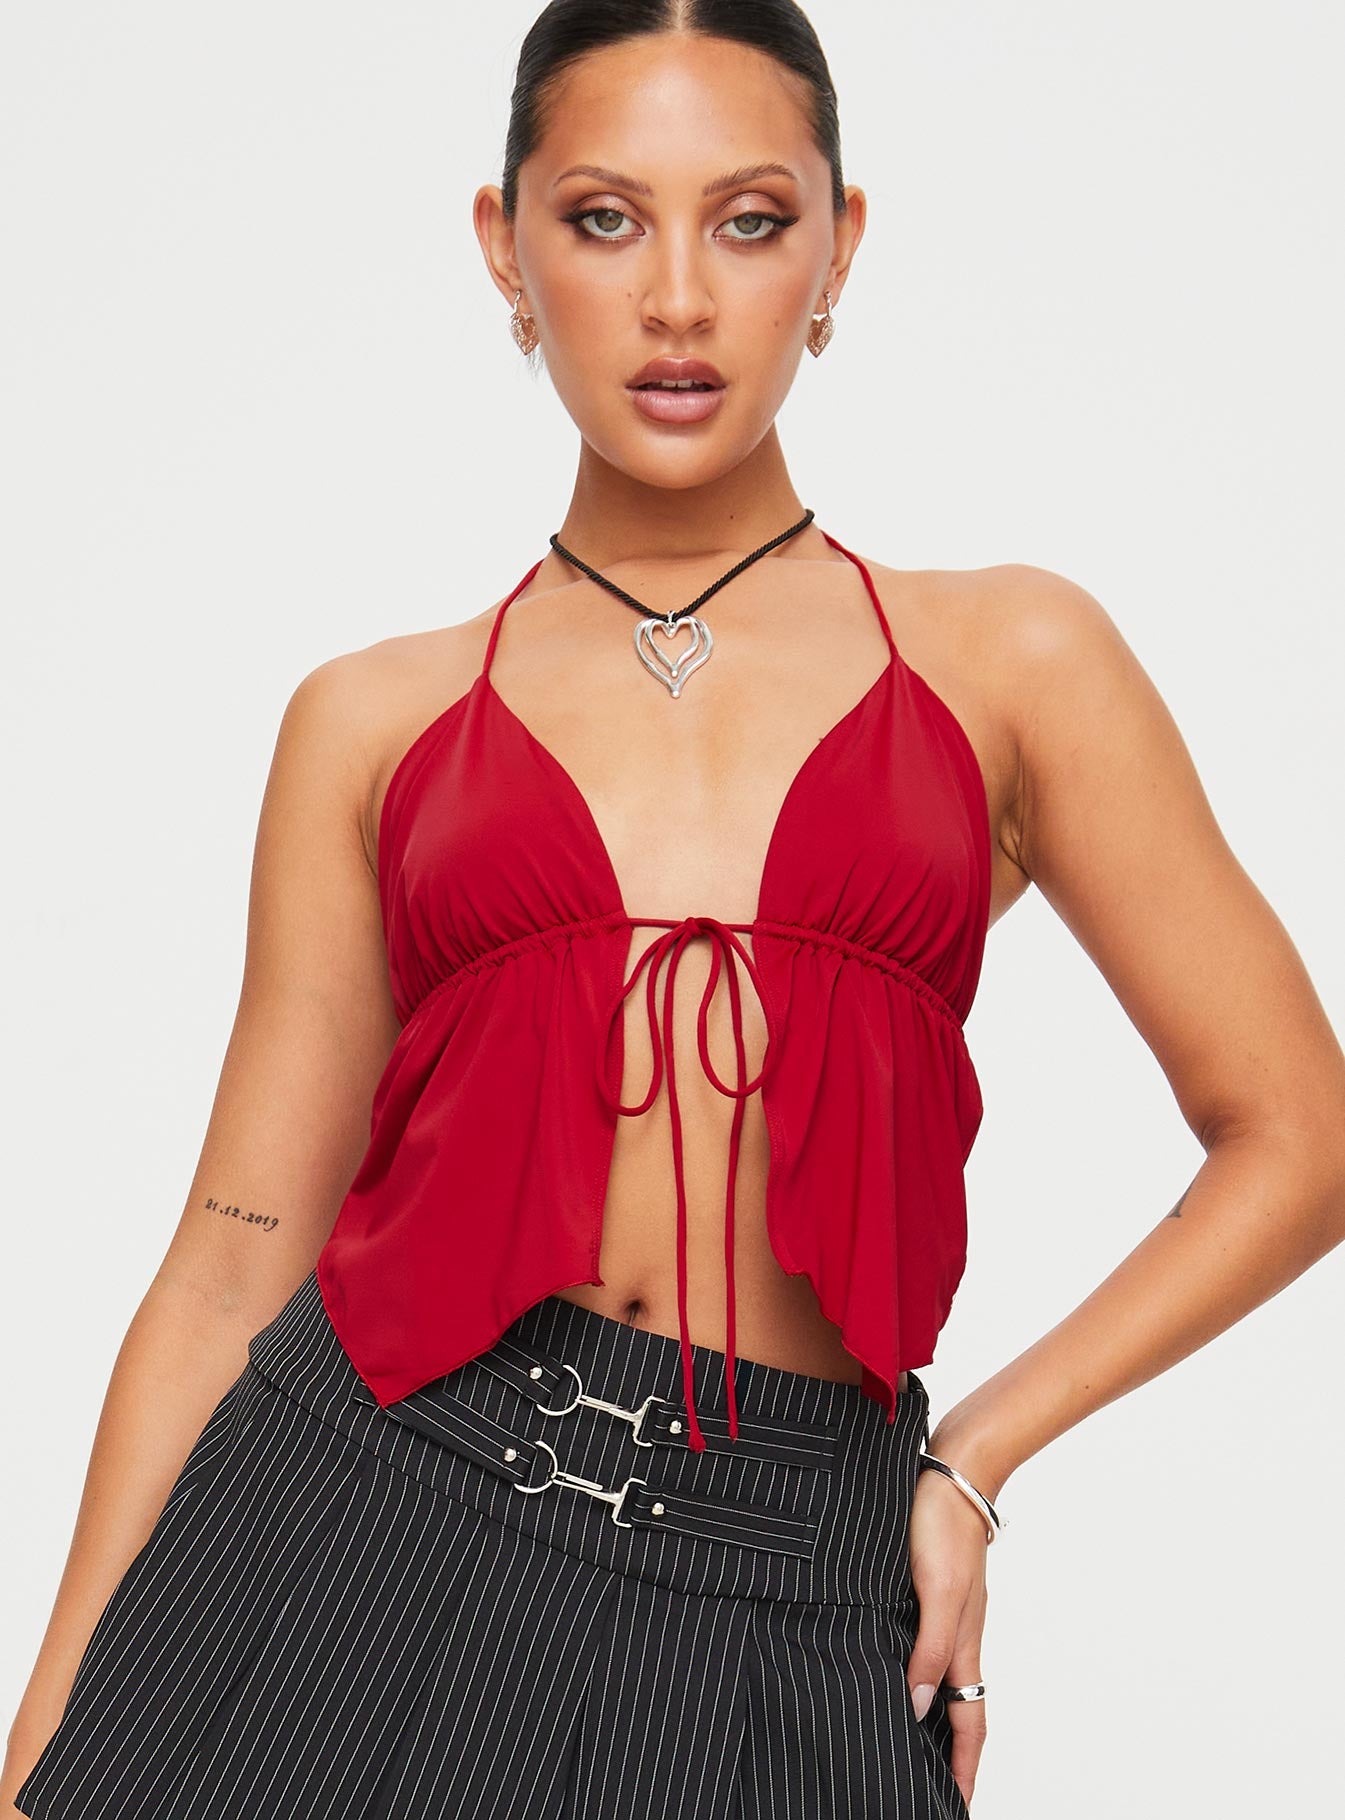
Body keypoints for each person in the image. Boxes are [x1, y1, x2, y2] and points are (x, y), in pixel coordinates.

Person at [7, 3, 1344, 1816]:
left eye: (749, 219)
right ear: (506, 245)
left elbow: (1298, 1135)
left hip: (795, 1579)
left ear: (836, 247)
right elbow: (233, 1264)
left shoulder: (1010, 661)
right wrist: (45, 1745)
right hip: (353, 1525)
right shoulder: (373, 720)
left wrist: (972, 1461)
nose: (678, 301)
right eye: (603, 218)